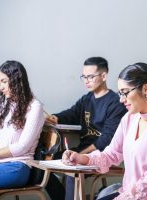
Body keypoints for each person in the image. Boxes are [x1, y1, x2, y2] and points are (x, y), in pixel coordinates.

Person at [62, 62, 147, 200]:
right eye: (120, 93)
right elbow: (111, 154)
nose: (121, 100)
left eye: (125, 93)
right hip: (131, 195)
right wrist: (82, 158)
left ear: (146, 89)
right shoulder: (129, 118)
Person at [45, 57, 127, 200]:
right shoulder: (87, 99)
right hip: (82, 150)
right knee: (47, 165)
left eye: (90, 76)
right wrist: (55, 117)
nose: (86, 80)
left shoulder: (115, 103)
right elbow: (72, 113)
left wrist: (81, 156)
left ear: (103, 76)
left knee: (73, 173)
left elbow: (106, 139)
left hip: (103, 154)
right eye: (84, 76)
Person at [0, 60, 45, 190]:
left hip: (17, 166)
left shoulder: (34, 107)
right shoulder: (5, 105)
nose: (1, 88)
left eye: (4, 81)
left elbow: (21, 147)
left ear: (16, 80)